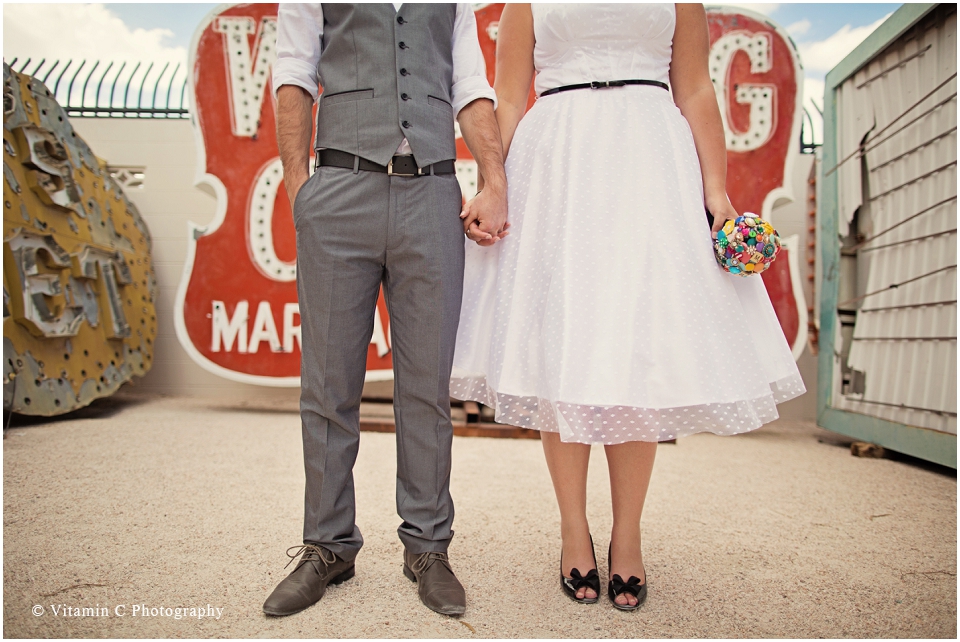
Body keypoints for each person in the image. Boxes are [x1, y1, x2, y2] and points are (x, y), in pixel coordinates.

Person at [454, 3, 805, 610]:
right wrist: (493, 185)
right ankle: (572, 528)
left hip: (650, 159)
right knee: (560, 350)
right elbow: (508, 98)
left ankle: (628, 534)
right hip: (557, 162)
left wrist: (715, 191)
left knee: (638, 347)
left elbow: (694, 88)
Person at [265, 2, 509, 618]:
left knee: (426, 388)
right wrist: (302, 191)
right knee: (327, 383)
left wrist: (494, 180)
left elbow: (470, 85)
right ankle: (327, 545)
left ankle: (427, 546)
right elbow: (293, 72)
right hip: (339, 189)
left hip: (431, 193)